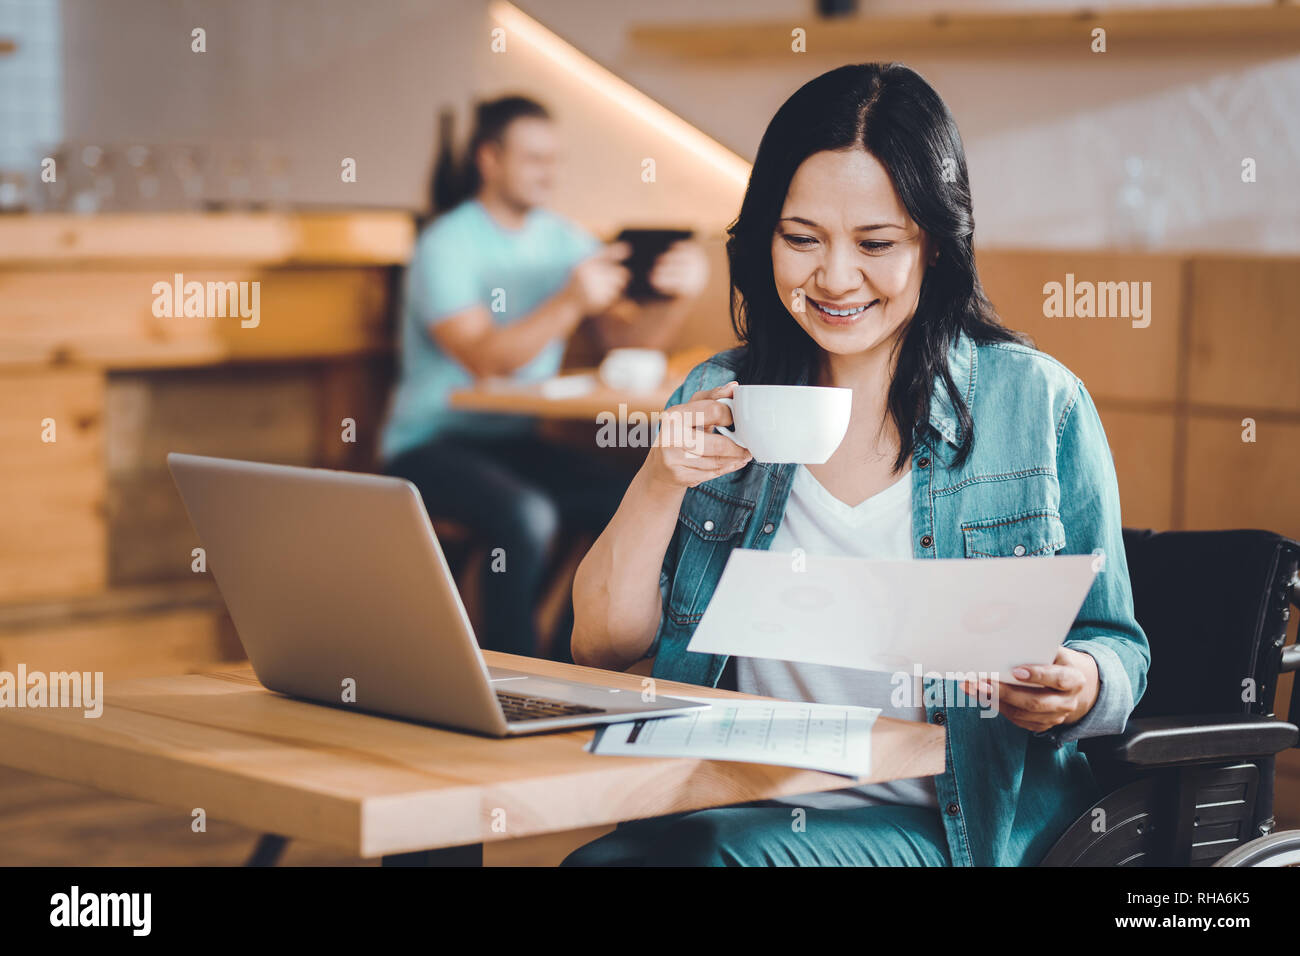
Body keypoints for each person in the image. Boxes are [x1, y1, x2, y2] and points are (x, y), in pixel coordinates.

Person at [564, 63, 1150, 866]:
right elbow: (598, 645)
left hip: (950, 824)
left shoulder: (1036, 402)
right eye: (801, 239)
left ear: (936, 245)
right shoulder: (722, 393)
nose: (835, 278)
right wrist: (660, 479)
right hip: (734, 801)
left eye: (875, 244)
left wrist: (1077, 682)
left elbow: (1116, 642)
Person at [380, 95, 708, 660]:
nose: (548, 173)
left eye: (554, 160)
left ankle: (566, 665)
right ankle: (511, 674)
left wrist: (681, 295)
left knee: (619, 499)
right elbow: (485, 360)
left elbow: (628, 347)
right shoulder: (446, 245)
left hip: (515, 441)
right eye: (534, 159)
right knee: (527, 515)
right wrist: (570, 300)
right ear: (489, 159)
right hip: (430, 443)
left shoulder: (567, 240)